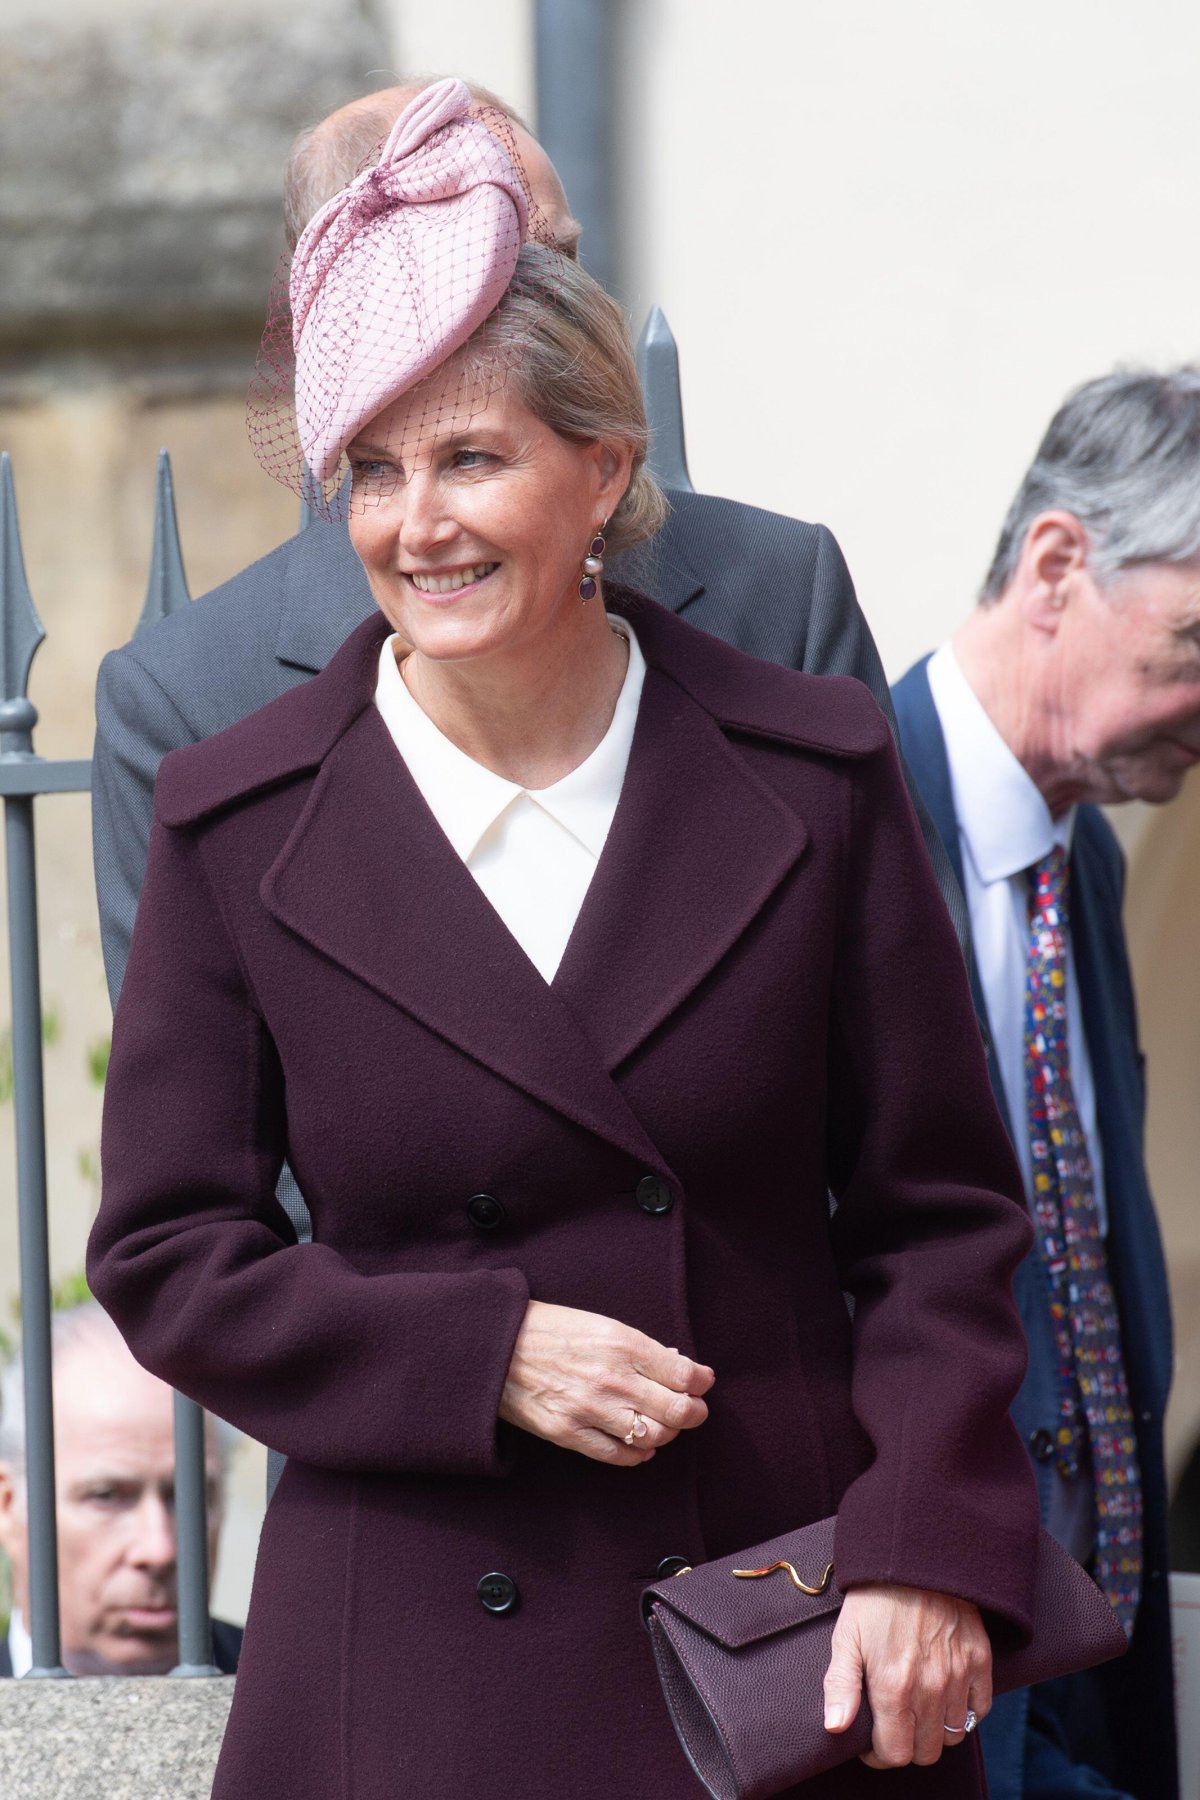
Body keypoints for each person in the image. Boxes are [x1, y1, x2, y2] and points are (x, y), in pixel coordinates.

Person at [87, 79, 1041, 1798]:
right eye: (370, 469)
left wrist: (923, 1544)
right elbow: (170, 1254)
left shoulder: (806, 769)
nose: (414, 524)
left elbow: (941, 1219)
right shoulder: (240, 815)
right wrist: (477, 1352)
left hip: (781, 1632)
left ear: (603, 471)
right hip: (413, 1656)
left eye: (471, 459)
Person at [91, 79, 965, 1016]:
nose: (569, 299)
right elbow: (205, 1124)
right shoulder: (187, 705)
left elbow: (900, 1036)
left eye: (567, 257)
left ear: (606, 468)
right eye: (514, 260)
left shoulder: (779, 594)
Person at [891, 368, 1198, 1800]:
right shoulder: (848, 817)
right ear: (1059, 565)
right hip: (924, 1670)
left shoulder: (1086, 857)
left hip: (1087, 1656)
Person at [0, 1301, 240, 1676]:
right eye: (106, 1496)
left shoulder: (302, 1693)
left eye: (190, 1497)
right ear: (8, 1506)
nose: (159, 1550)